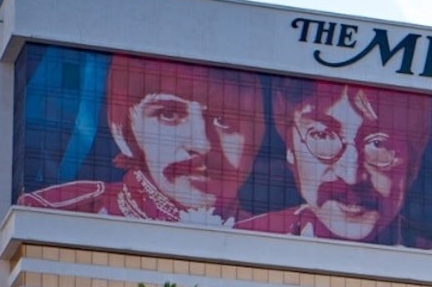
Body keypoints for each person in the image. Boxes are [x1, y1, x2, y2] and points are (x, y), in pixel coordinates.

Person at [19, 54, 263, 227]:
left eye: (225, 119)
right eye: (169, 115)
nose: (202, 144)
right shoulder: (62, 214)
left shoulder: (275, 234)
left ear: (258, 135)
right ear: (122, 130)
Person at [239, 79, 422, 243]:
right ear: (290, 148)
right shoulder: (246, 242)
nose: (351, 176)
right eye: (322, 135)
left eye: (378, 144)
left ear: (414, 165)